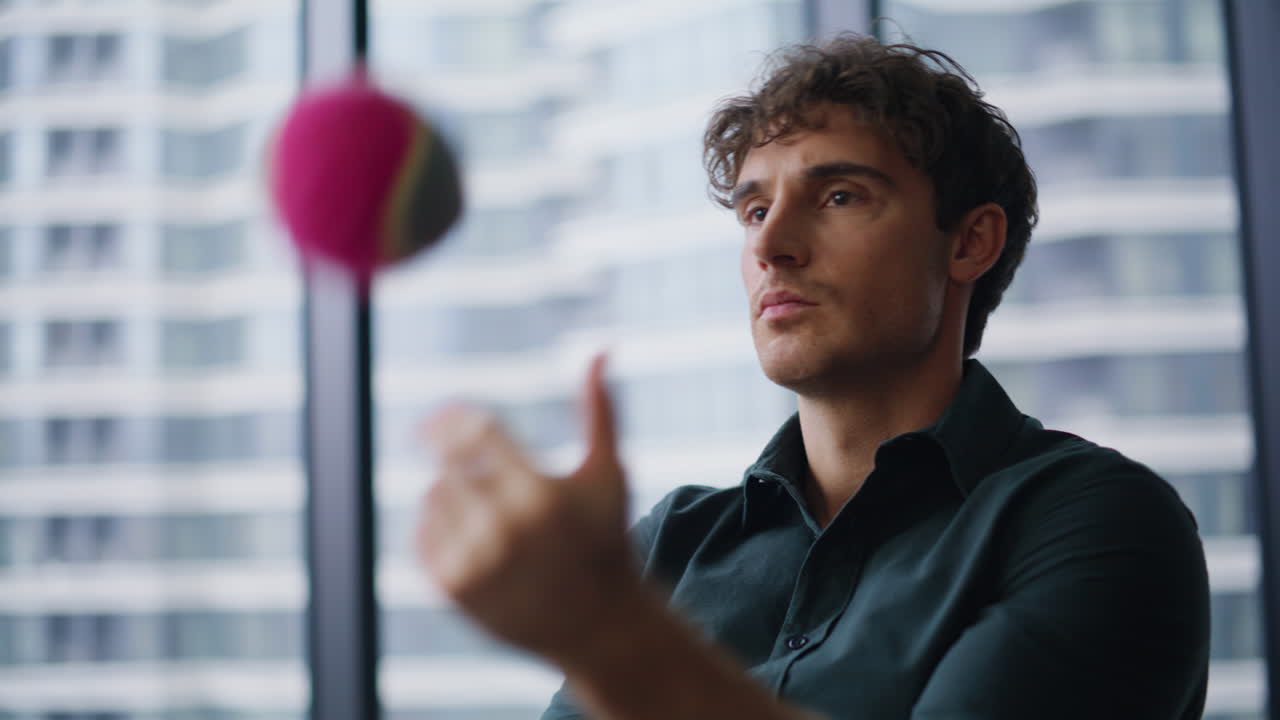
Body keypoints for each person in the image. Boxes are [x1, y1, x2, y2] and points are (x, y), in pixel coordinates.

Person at [416, 34, 1210, 719]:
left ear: (970, 242)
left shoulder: (1100, 523)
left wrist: (612, 638)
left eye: (838, 195)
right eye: (755, 210)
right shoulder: (671, 546)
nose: (773, 246)